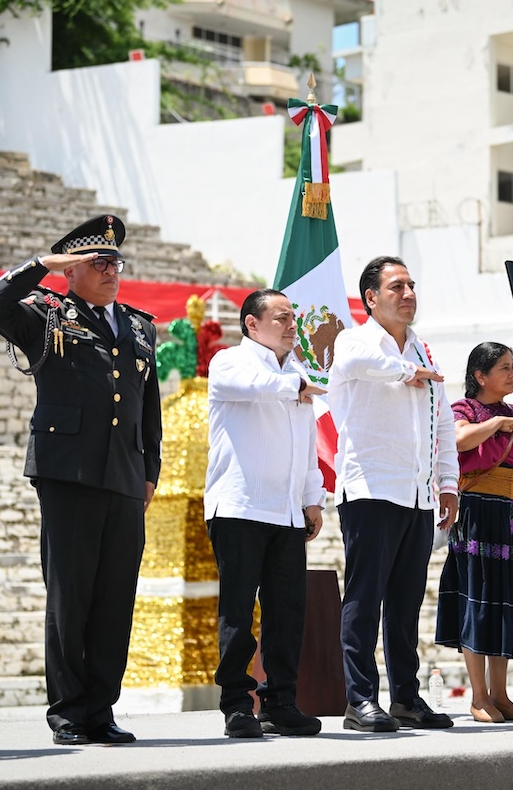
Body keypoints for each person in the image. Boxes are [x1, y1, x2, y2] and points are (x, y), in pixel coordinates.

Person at [0, 215, 162, 743]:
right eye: (96, 262)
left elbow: (149, 409)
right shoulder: (45, 313)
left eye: (113, 261)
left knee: (114, 599)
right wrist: (40, 266)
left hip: (125, 475)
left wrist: (150, 470)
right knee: (70, 597)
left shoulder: (138, 325)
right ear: (71, 270)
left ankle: (101, 710)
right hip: (69, 474)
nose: (109, 269)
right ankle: (67, 712)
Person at [330, 256, 460, 732]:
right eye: (396, 286)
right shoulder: (356, 339)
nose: (408, 294)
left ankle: (406, 697)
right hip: (371, 488)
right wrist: (406, 372)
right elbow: (352, 364)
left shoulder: (424, 351)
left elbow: (443, 422)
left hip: (418, 494)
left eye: (411, 285)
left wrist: (448, 482)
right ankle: (360, 699)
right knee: (364, 600)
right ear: (371, 298)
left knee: (406, 605)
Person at [205, 289, 327, 738]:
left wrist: (313, 497)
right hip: (240, 505)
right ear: (252, 325)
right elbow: (244, 388)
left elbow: (308, 447)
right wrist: (294, 386)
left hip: (287, 511)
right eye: (281, 317)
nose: (292, 324)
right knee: (238, 612)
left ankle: (280, 702)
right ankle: (237, 704)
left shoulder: (296, 372)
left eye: (293, 316)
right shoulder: (230, 361)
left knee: (287, 612)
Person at [435, 342, 513, 723]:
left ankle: (501, 695)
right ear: (480, 376)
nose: (512, 373)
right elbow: (458, 441)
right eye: (503, 367)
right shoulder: (463, 410)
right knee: (479, 602)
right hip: (480, 516)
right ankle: (479, 696)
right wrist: (497, 424)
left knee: (507, 605)